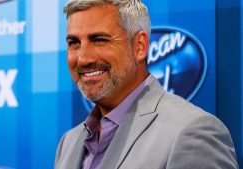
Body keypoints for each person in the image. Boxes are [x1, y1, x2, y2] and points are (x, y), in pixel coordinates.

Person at [55, 0, 238, 169]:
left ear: (139, 46)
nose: (83, 58)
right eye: (74, 43)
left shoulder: (192, 132)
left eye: (99, 40)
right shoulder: (68, 142)